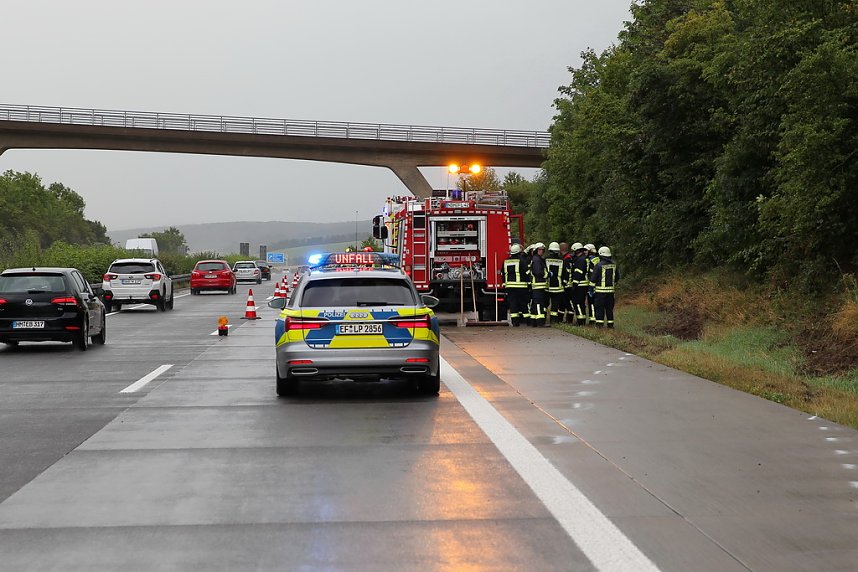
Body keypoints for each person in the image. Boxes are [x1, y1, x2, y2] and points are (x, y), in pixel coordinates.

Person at [590, 246, 620, 328]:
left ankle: (599, 325)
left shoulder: (598, 265)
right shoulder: (614, 265)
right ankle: (610, 325)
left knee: (599, 309)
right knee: (609, 309)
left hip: (600, 292)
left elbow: (593, 279)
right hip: (611, 292)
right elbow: (617, 277)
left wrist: (591, 289)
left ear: (601, 255)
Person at [502, 244, 530, 326]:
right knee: (523, 304)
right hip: (521, 287)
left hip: (510, 287)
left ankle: (515, 322)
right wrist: (529, 283)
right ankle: (528, 321)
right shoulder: (522, 261)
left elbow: (503, 273)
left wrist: (505, 284)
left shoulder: (506, 261)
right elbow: (527, 272)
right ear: (519, 252)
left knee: (513, 305)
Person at [545, 242, 567, 325]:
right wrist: (564, 284)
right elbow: (566, 274)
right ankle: (553, 320)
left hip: (547, 286)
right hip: (558, 287)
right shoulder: (562, 260)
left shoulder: (545, 259)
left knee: (545, 304)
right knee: (555, 305)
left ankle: (543, 319)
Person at [568, 242, 588, 325]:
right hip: (584, 284)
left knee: (578, 303)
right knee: (581, 303)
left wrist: (574, 285)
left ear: (576, 251)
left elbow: (578, 273)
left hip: (580, 285)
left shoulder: (580, 260)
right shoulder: (585, 258)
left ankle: (580, 321)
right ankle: (582, 319)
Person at [529, 243, 548, 326]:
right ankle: (540, 321)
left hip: (539, 285)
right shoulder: (537, 259)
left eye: (542, 250)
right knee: (539, 303)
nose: (541, 251)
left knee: (535, 303)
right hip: (538, 285)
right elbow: (538, 272)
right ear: (536, 250)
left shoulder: (537, 259)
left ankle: (533, 321)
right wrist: (547, 274)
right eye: (539, 249)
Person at [583, 243, 598, 324]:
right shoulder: (597, 259)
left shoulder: (591, 260)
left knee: (591, 302)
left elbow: (591, 274)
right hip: (597, 284)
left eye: (586, 250)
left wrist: (591, 286)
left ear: (590, 251)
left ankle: (592, 319)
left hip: (592, 284)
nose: (584, 252)